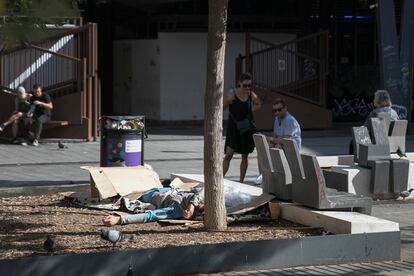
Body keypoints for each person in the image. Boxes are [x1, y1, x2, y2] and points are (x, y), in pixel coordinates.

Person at [223, 72, 261, 183]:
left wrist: (251, 111)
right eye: (245, 85)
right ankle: (220, 179)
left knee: (245, 156)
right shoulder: (232, 93)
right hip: (234, 128)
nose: (247, 88)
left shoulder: (251, 94)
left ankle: (241, 181)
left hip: (246, 128)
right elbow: (223, 107)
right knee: (228, 155)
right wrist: (227, 101)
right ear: (239, 83)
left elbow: (258, 104)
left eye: (249, 85)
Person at [102, 187, 203, 226]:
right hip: (169, 190)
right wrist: (193, 204)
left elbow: (150, 216)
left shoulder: (176, 210)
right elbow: (203, 189)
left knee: (141, 195)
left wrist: (119, 219)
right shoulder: (202, 197)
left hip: (154, 195)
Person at [348, 90, 399, 154]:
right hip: (393, 143)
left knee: (353, 142)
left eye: (375, 98)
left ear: (379, 101)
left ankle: (358, 160)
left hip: (379, 142)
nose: (373, 100)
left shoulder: (375, 113)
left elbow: (366, 129)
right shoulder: (394, 113)